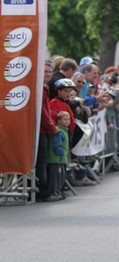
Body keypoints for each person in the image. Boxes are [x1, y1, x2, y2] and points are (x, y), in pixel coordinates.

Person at [36, 60, 60, 202]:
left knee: (41, 161)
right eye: (45, 71)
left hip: (43, 129)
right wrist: (52, 127)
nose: (47, 74)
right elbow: (42, 112)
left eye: (50, 72)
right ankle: (43, 191)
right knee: (41, 162)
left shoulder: (44, 87)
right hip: (41, 130)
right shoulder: (40, 88)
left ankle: (41, 189)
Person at [47, 111, 71, 201]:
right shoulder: (59, 131)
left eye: (68, 119)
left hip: (61, 159)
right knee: (55, 178)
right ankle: (54, 192)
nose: (67, 121)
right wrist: (60, 153)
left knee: (61, 177)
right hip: (56, 159)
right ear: (59, 121)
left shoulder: (64, 131)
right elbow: (57, 145)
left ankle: (58, 192)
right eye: (65, 119)